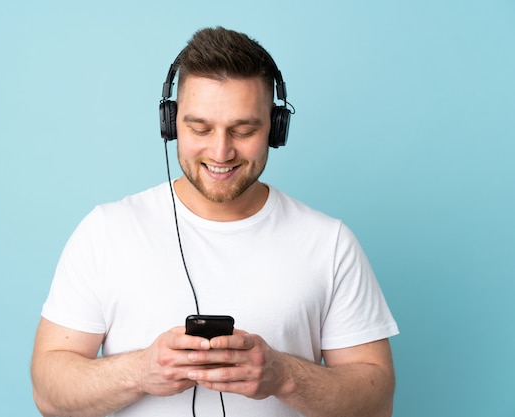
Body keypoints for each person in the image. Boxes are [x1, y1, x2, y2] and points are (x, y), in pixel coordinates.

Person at [31, 26, 399, 417]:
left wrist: (282, 376)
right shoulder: (105, 231)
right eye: (200, 128)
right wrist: (140, 372)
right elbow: (48, 395)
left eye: (244, 130)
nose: (220, 151)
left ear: (276, 129)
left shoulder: (330, 242)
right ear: (170, 124)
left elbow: (377, 404)